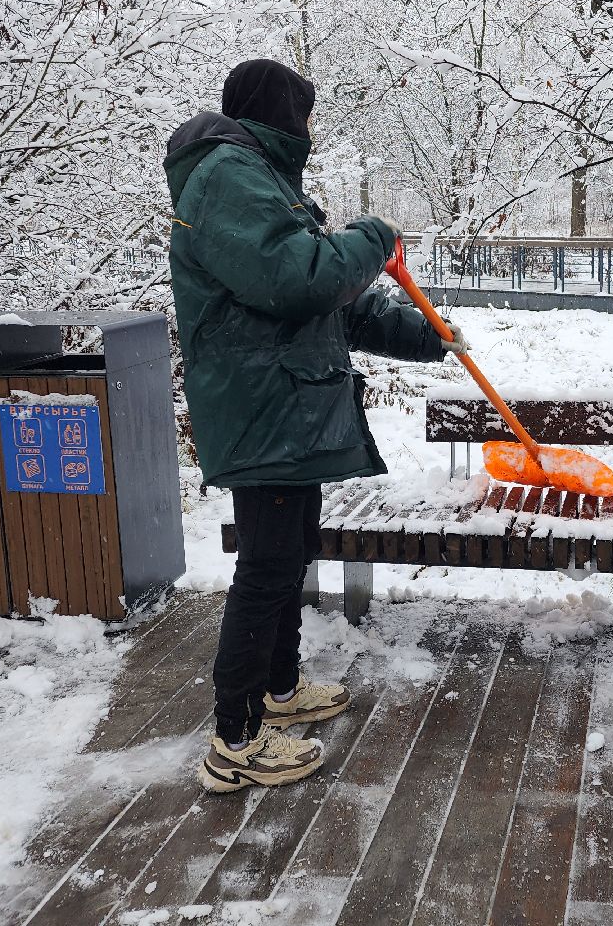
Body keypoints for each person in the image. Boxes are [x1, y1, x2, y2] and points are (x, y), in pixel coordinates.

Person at [164, 59, 466, 792]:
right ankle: (234, 739)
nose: (309, 129)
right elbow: (300, 277)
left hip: (283, 406)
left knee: (289, 549)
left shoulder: (263, 183)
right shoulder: (229, 177)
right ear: (282, 116)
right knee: (266, 565)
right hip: (262, 405)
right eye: (304, 115)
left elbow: (330, 301)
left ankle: (279, 690)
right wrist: (371, 234)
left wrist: (424, 335)